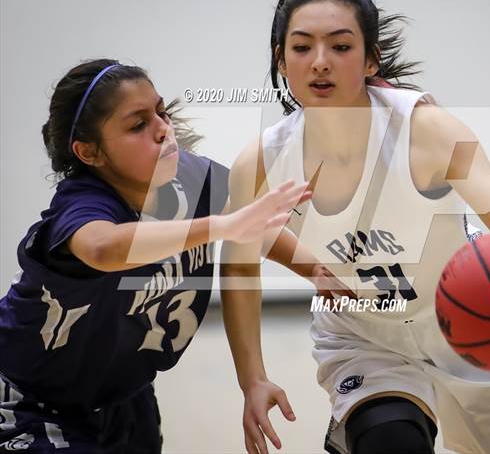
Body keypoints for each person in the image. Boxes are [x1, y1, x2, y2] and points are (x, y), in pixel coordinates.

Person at [221, 0, 490, 454]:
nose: (320, 61)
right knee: (390, 440)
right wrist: (253, 378)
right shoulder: (260, 163)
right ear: (281, 60)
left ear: (370, 60)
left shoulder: (425, 130)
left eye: (340, 46)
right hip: (366, 338)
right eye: (302, 47)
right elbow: (239, 260)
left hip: (478, 321)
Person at [0, 59, 310, 453]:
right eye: (138, 125)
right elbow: (103, 248)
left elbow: (254, 230)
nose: (164, 128)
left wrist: (320, 272)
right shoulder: (83, 205)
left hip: (124, 399)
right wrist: (220, 225)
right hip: (30, 400)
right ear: (89, 152)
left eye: (161, 112)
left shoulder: (193, 178)